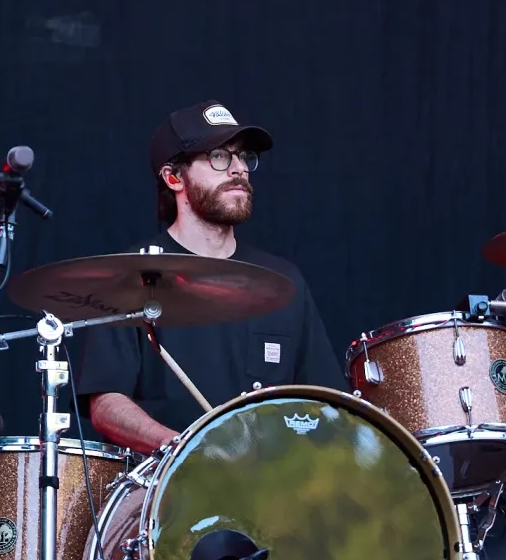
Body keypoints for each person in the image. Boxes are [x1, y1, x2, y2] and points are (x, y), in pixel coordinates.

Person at [74, 100, 345, 454]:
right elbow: (106, 405)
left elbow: (326, 404)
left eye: (243, 157)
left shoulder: (282, 281)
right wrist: (185, 450)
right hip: (166, 481)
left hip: (267, 483)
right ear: (174, 177)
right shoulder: (131, 277)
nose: (239, 168)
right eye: (219, 156)